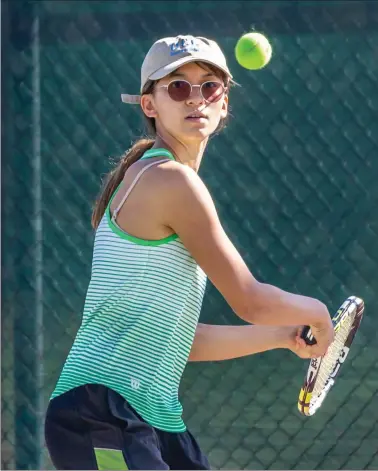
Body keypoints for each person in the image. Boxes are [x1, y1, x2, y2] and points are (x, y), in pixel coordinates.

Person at [45, 35, 334, 470]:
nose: (195, 98)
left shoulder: (164, 178)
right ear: (150, 105)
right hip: (100, 412)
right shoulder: (170, 180)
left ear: (223, 103)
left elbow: (180, 340)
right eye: (178, 87)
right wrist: (317, 311)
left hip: (153, 419)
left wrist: (282, 336)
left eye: (209, 87)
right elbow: (249, 300)